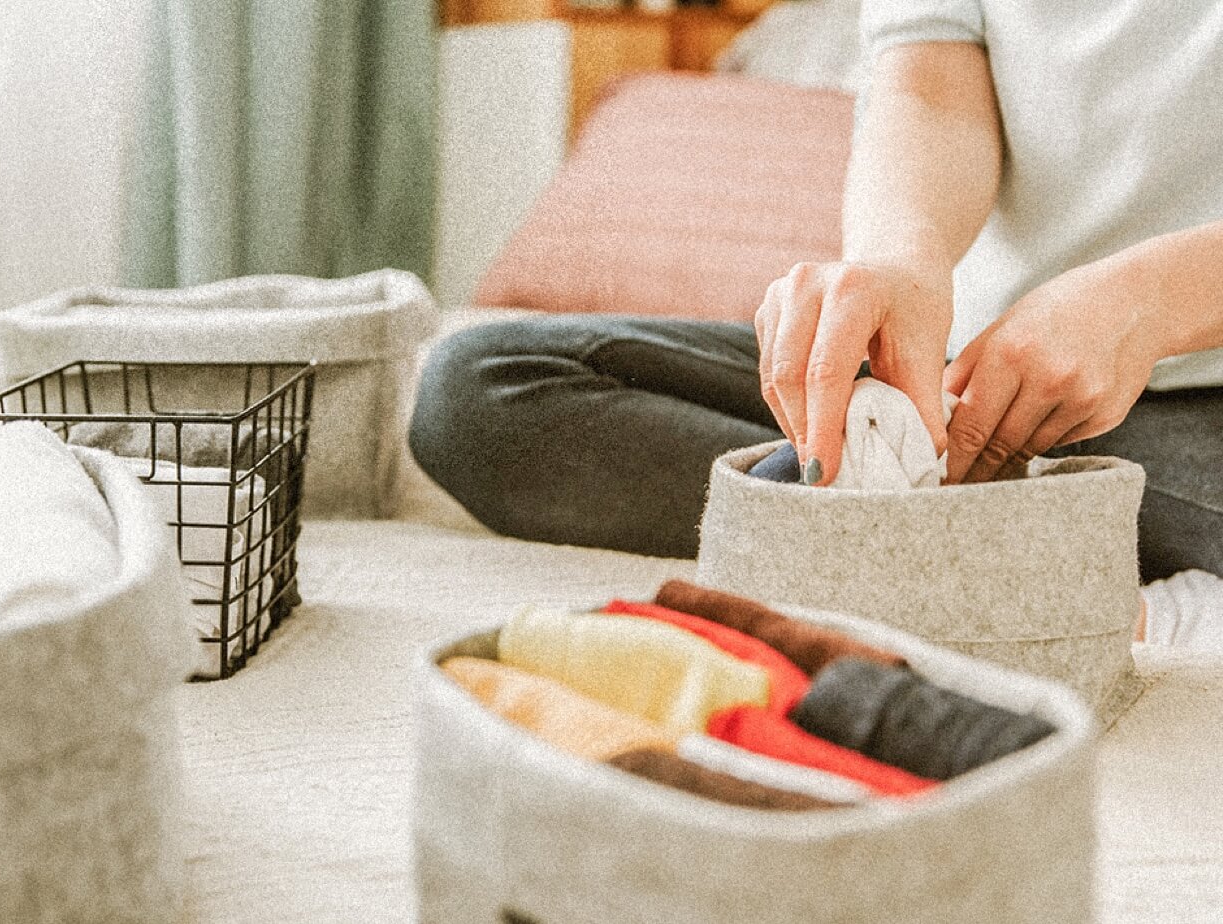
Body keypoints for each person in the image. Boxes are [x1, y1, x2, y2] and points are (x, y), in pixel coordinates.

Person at [409, 2, 1223, 592]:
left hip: (1204, 400)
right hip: (965, 383)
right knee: (480, 389)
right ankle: (980, 549)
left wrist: (1152, 299)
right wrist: (899, 260)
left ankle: (872, 539)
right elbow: (932, 93)